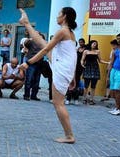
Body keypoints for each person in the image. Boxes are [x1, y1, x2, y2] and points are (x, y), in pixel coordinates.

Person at [19, 7, 77, 144]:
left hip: (61, 68)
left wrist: (28, 63)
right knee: (41, 41)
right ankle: (26, 22)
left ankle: (69, 136)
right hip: (62, 66)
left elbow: (45, 50)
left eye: (59, 14)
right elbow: (70, 54)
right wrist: (73, 76)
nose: (57, 16)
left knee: (58, 103)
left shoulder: (63, 31)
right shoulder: (69, 32)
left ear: (65, 17)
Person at [80, 40, 109, 105]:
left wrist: (108, 62)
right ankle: (84, 98)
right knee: (86, 85)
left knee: (93, 86)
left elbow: (100, 60)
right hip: (87, 67)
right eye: (93, 43)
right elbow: (82, 59)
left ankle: (91, 99)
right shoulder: (86, 51)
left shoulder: (97, 51)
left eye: (96, 44)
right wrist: (82, 64)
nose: (94, 45)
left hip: (95, 68)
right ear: (90, 44)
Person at [65, 38, 86, 105]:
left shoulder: (80, 51)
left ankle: (75, 98)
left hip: (78, 69)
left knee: (76, 83)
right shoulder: (69, 51)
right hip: (70, 68)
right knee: (69, 83)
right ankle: (68, 98)